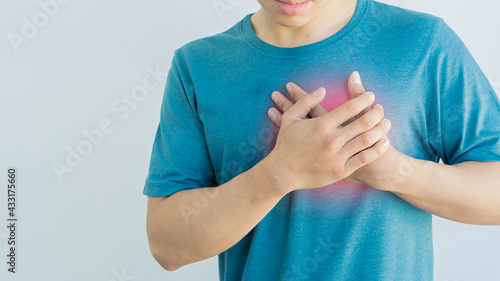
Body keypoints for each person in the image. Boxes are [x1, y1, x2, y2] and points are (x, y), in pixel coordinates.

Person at [143, 0, 500, 280]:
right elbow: (167, 245)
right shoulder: (198, 65)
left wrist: (390, 171)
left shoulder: (424, 42)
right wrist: (280, 173)